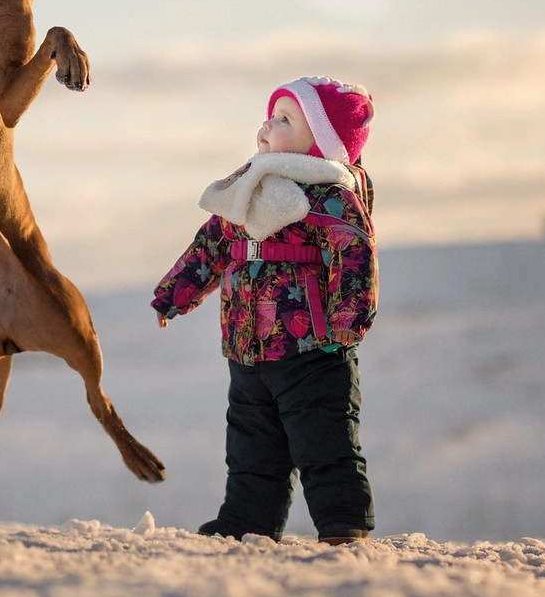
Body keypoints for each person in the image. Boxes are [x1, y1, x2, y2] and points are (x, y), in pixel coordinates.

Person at [151, 75, 378, 544]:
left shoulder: (330, 195)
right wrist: (175, 293)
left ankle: (343, 525)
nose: (266, 126)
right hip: (246, 349)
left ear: (321, 141)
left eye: (284, 119)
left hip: (313, 348)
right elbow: (211, 244)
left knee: (324, 441)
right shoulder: (246, 190)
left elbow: (354, 255)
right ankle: (247, 520)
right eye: (270, 116)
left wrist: (346, 321)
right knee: (252, 445)